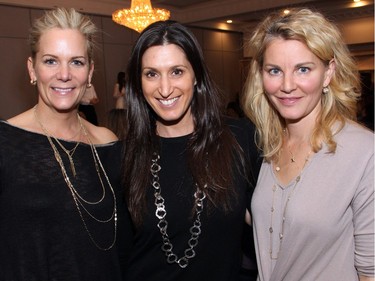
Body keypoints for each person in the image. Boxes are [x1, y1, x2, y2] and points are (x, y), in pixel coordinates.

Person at [121, 20, 261, 281]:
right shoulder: (124, 156)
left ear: (196, 74)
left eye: (177, 71)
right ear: (139, 83)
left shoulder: (241, 139)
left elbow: (276, 226)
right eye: (151, 74)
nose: (165, 89)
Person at [242, 8, 374, 281]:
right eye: (275, 70)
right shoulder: (265, 146)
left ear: (328, 74)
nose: (287, 85)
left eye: (303, 69)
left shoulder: (364, 152)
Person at [0, 7, 133, 280]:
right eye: (51, 61)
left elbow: (123, 243)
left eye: (76, 62)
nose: (64, 74)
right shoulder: (5, 142)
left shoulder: (109, 145)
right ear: (31, 68)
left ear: (90, 71)